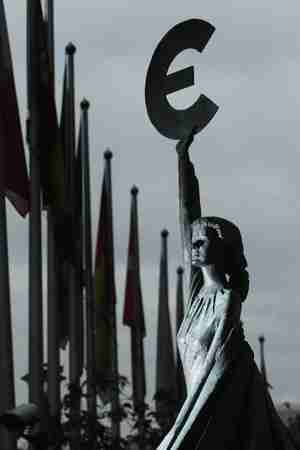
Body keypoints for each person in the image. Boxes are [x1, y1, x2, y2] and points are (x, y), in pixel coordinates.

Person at [157, 129, 298, 449]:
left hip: (216, 414)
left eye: (201, 241)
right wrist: (183, 163)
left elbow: (215, 371)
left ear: (221, 248)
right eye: (191, 242)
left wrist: (180, 433)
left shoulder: (227, 300)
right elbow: (187, 217)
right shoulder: (196, 297)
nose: (192, 246)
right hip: (196, 410)